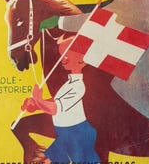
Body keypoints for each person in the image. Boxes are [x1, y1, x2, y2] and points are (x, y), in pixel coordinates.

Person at [40, 0, 149, 158]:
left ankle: (108, 138)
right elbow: (100, 10)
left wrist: (59, 21)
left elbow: (101, 17)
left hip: (140, 78)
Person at [21, 35, 99, 164]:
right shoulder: (69, 83)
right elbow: (55, 102)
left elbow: (55, 108)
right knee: (49, 161)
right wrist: (35, 105)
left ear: (81, 60)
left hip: (77, 134)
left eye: (67, 56)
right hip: (66, 133)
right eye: (62, 55)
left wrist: (39, 100)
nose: (62, 59)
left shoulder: (78, 86)